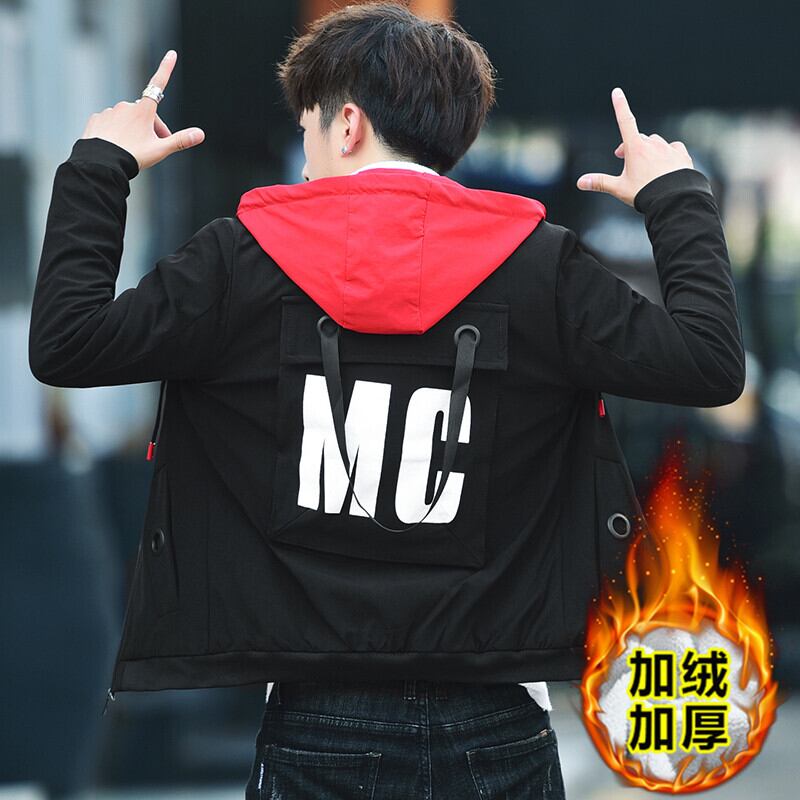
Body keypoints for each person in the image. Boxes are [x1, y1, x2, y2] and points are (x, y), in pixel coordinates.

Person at [28, 2, 745, 798]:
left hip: (315, 718)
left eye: (307, 129)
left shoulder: (236, 261)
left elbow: (67, 342)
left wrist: (101, 164)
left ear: (348, 126)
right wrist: (675, 195)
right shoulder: (544, 269)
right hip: (499, 717)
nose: (304, 163)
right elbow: (710, 364)